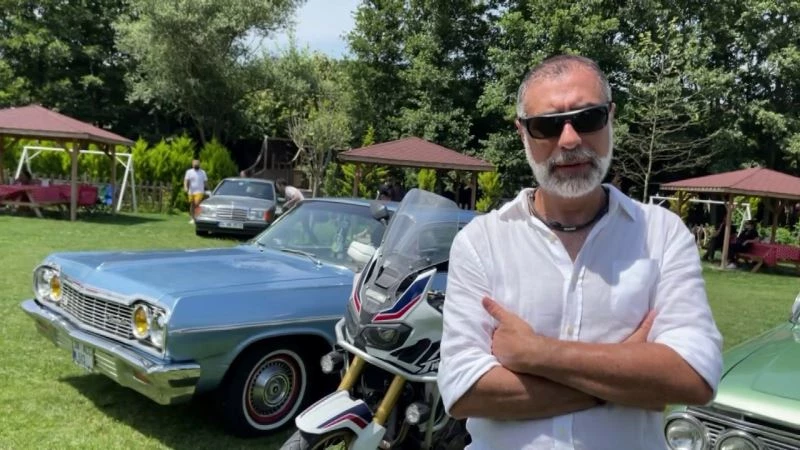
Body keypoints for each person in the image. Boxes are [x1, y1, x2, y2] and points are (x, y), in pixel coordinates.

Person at [437, 55, 723, 449]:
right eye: (547, 125)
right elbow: (464, 392)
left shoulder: (662, 233)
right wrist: (630, 379)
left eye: (587, 119)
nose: (570, 140)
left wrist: (538, 354)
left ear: (610, 118)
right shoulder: (481, 241)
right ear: (522, 133)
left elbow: (694, 376)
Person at [184, 159, 208, 224]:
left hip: (200, 191)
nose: (196, 165)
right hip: (191, 191)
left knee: (197, 204)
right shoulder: (189, 172)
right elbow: (186, 180)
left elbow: (205, 182)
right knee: (192, 204)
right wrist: (186, 187)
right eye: (195, 164)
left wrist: (207, 189)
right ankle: (192, 218)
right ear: (192, 165)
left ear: (199, 165)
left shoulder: (203, 172)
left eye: (197, 164)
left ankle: (197, 217)